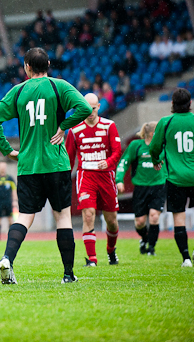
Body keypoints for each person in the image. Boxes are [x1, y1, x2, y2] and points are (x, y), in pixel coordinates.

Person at [0, 47, 92, 284]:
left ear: (27, 67)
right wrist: (64, 126)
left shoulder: (19, 90)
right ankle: (67, 274)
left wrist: (8, 151)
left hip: (28, 166)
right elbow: (84, 108)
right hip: (55, 163)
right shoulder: (59, 86)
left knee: (24, 216)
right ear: (49, 64)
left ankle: (7, 259)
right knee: (62, 217)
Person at [149, 88, 194, 267]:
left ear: (172, 104)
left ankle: (186, 258)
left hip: (175, 179)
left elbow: (154, 147)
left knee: (178, 219)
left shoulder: (165, 122)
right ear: (190, 104)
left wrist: (156, 160)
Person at [65, 93, 122, 267]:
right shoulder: (74, 130)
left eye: (94, 108)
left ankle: (111, 250)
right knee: (88, 215)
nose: (91, 111)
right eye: (87, 108)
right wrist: (64, 178)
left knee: (111, 220)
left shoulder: (109, 126)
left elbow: (117, 151)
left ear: (99, 107)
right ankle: (92, 259)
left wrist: (109, 162)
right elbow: (69, 158)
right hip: (86, 177)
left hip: (106, 177)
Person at [116, 122, 167, 256]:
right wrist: (119, 180)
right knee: (140, 222)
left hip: (159, 186)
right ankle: (144, 239)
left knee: (154, 217)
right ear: (152, 134)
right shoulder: (135, 146)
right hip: (141, 188)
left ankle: (152, 248)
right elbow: (124, 162)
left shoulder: (163, 147)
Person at [0, 162, 18, 241]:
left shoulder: (10, 178)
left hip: (8, 201)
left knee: (10, 219)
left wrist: (15, 201)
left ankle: (11, 236)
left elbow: (14, 190)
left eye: (4, 166)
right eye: (1, 167)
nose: (2, 168)